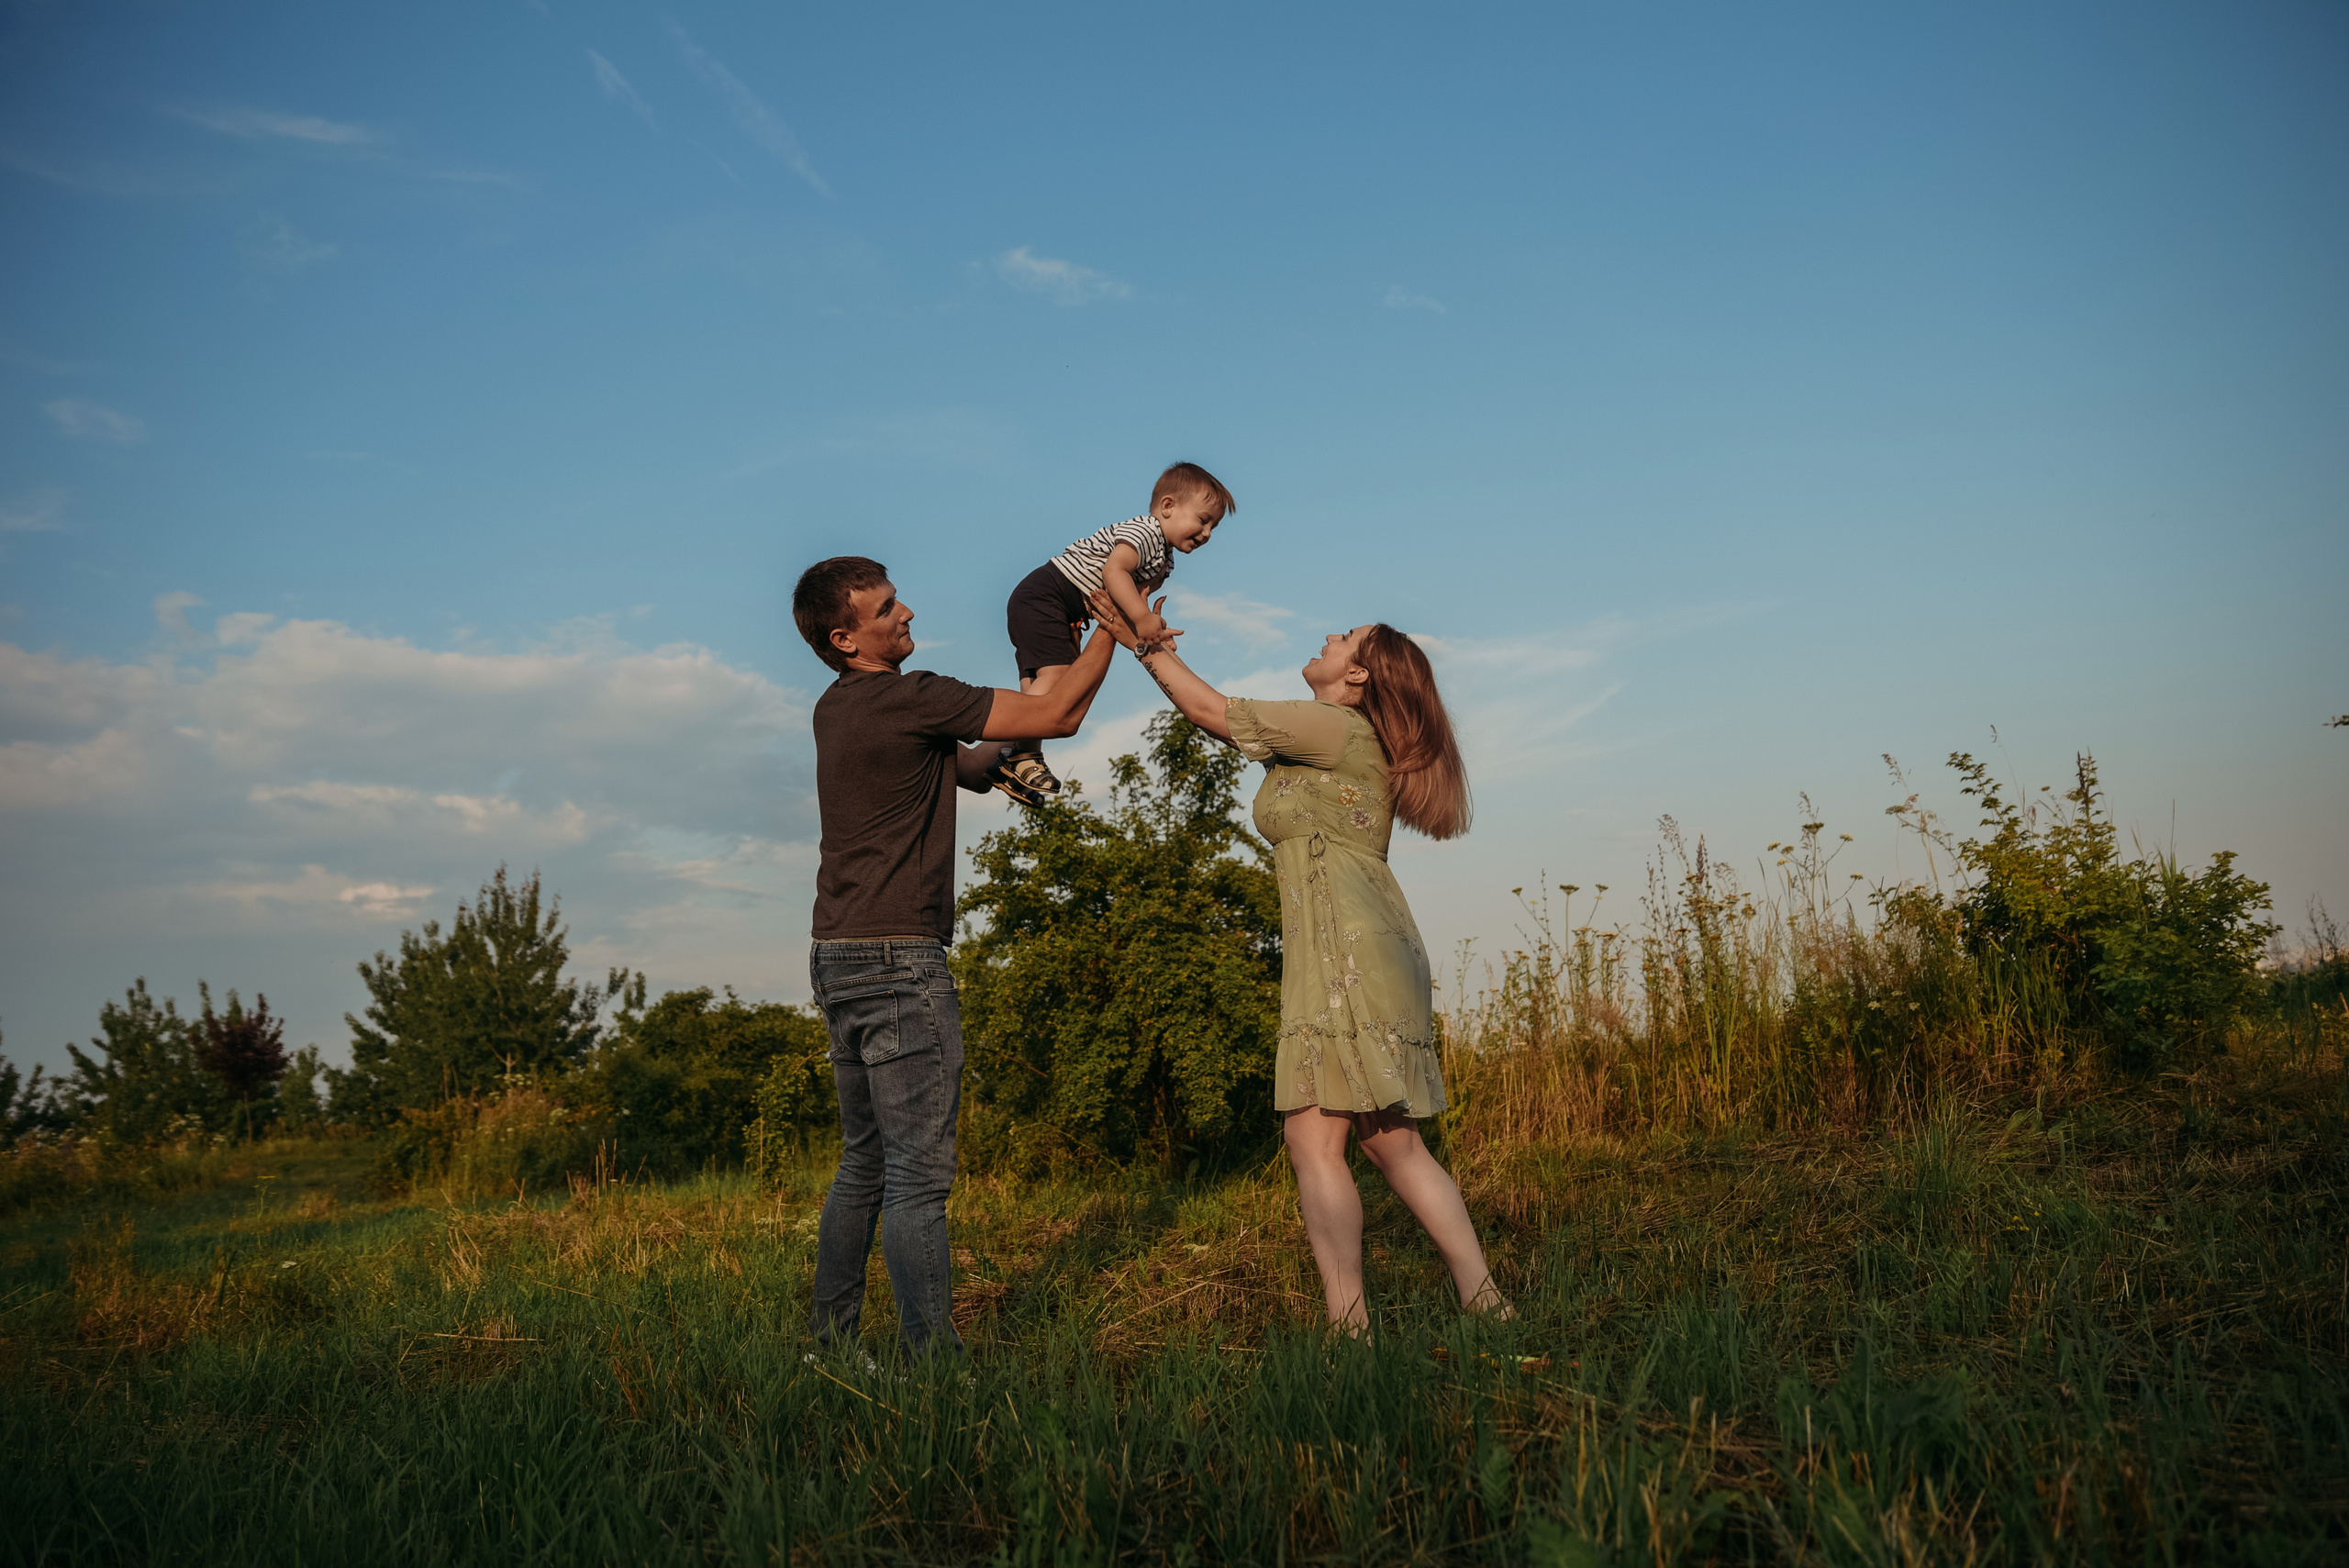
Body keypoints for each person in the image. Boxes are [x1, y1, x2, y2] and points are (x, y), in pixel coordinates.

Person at [1090, 592, 1507, 1332]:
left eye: (1345, 637)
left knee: (1317, 1138)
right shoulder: (1329, 737)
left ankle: (1352, 1330)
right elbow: (1224, 725)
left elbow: (1216, 714)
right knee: (1390, 1141)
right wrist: (1139, 641)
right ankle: (1485, 1303)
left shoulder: (1337, 727)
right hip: (1361, 942)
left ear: (1359, 678)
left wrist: (1145, 644)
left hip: (1347, 949)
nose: (1328, 634)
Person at [791, 555, 1118, 1358]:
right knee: (917, 1177)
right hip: (902, 959)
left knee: (863, 1161)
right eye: (887, 609)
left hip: (837, 955)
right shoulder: (914, 694)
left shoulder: (838, 709)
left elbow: (967, 764)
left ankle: (829, 1344)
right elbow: (1065, 711)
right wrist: (1115, 625)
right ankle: (931, 1364)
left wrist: (1010, 754)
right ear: (846, 636)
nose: (906, 614)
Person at [986, 462, 1237, 806]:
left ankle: (1015, 757)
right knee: (1058, 681)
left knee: (1040, 684)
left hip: (1056, 605)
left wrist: (1151, 627)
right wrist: (1140, 616)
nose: (1207, 533)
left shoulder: (1165, 559)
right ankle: (1017, 755)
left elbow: (1135, 597)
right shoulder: (1146, 533)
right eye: (1203, 520)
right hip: (1048, 595)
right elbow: (1114, 570)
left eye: (1214, 527)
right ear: (1168, 507)